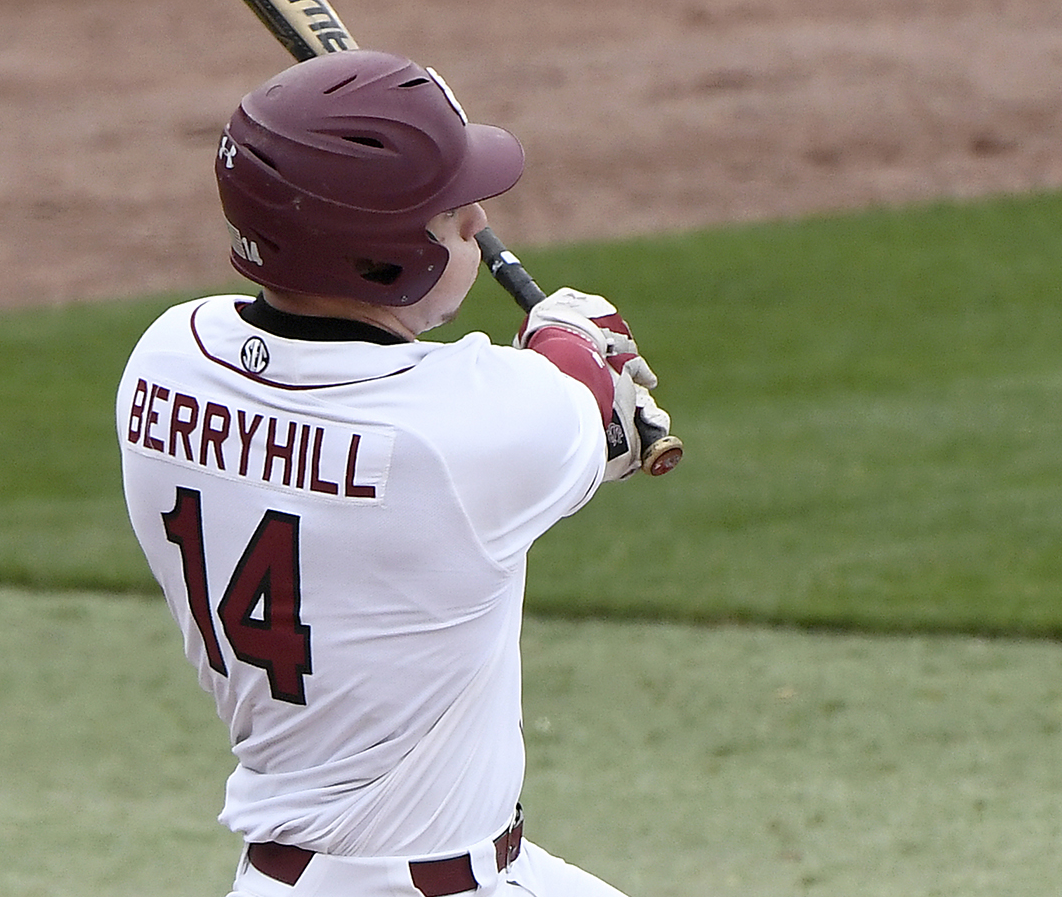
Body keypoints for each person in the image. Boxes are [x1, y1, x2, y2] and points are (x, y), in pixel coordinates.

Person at [117, 49, 671, 897]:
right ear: (383, 255)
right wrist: (578, 333)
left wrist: (577, 374)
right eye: (450, 210)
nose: (479, 221)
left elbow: (548, 407)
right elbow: (577, 396)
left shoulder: (163, 365)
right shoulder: (471, 433)